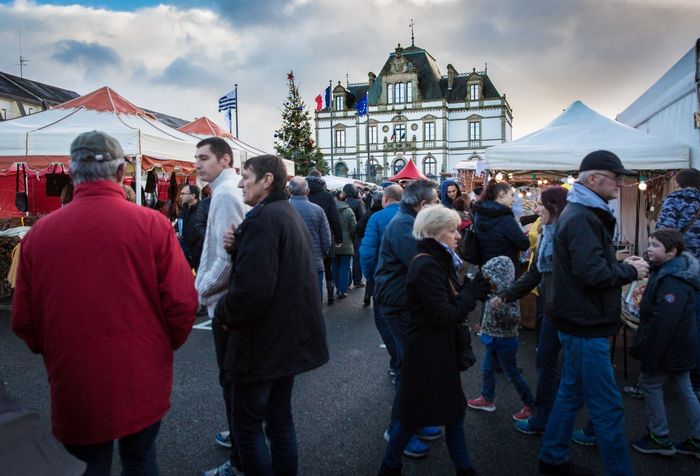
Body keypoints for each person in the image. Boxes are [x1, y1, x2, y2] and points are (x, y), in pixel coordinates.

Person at [12, 130, 198, 476]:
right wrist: (161, 345)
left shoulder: (40, 235)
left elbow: (24, 319)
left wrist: (57, 349)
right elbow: (183, 303)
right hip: (142, 371)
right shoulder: (152, 225)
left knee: (87, 465)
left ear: (72, 173)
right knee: (140, 460)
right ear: (119, 175)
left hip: (75, 377)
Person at [215, 155, 329, 475]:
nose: (240, 183)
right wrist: (239, 247)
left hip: (263, 345)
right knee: (279, 421)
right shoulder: (283, 213)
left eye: (246, 176)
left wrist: (222, 312)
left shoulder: (264, 219)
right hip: (285, 340)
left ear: (267, 180)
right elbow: (277, 270)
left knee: (248, 428)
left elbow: (253, 290)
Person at [538, 150, 649, 476]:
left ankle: (552, 457)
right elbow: (592, 274)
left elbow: (587, 267)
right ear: (593, 179)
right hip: (585, 322)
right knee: (607, 406)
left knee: (571, 393)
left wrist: (618, 264)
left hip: (579, 319)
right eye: (615, 177)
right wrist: (630, 272)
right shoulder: (584, 216)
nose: (620, 183)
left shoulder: (583, 213)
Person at [378, 205, 489, 476]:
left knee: (440, 414)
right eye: (452, 230)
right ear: (435, 232)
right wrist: (471, 294)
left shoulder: (436, 259)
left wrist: (467, 291)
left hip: (435, 350)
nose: (458, 235)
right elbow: (443, 314)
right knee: (429, 415)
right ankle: (395, 465)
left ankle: (393, 466)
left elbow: (446, 303)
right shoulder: (427, 263)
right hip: (429, 353)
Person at [493, 187, 574, 435]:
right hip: (551, 309)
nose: (537, 209)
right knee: (545, 362)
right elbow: (535, 272)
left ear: (555, 207)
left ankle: (572, 426)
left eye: (541, 205)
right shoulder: (547, 233)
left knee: (573, 372)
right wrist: (507, 295)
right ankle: (544, 419)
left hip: (569, 313)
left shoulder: (568, 235)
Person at [374, 179, 442, 459]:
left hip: (405, 302)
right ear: (422, 205)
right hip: (399, 304)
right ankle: (399, 429)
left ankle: (415, 421)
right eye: (436, 201)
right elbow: (423, 266)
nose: (440, 205)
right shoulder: (403, 226)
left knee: (414, 365)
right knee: (410, 367)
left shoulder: (411, 221)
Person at [193, 137, 246, 476]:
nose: (197, 164)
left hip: (225, 304)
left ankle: (241, 455)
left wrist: (200, 290)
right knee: (235, 380)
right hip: (229, 301)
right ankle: (243, 436)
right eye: (196, 158)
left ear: (224, 160)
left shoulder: (226, 193)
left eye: (204, 158)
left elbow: (226, 256)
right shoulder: (225, 190)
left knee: (232, 381)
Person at [629, 228, 700, 458]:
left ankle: (659, 436)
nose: (649, 248)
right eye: (650, 244)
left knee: (649, 383)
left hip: (669, 347)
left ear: (672, 251)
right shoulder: (672, 271)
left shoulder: (673, 280)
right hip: (679, 346)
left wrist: (652, 355)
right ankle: (697, 438)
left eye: (655, 245)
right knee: (684, 388)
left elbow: (665, 323)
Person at [468, 256, 535, 420]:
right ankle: (487, 398)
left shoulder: (507, 297)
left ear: (500, 278)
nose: (488, 281)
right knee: (486, 369)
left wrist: (500, 310)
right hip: (492, 340)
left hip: (506, 341)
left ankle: (530, 405)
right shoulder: (492, 293)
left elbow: (515, 318)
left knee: (512, 374)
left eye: (491, 278)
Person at [655, 168, 700, 400]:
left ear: (678, 183)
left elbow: (664, 235)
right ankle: (696, 376)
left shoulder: (674, 201)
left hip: (680, 269)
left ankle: (670, 373)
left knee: (672, 320)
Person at [359, 184, 403, 378]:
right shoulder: (412, 216)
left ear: (385, 199)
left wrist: (370, 276)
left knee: (384, 322)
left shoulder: (377, 218)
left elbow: (367, 252)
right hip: (406, 278)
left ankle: (398, 361)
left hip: (382, 279)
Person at [288, 176, 332, 298]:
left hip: (290, 264)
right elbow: (326, 238)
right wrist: (322, 255)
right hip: (315, 261)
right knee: (315, 300)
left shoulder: (283, 209)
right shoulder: (318, 210)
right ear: (307, 191)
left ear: (289, 191)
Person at [473, 180, 530, 270]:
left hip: (485, 267)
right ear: (502, 194)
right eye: (511, 195)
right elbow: (524, 244)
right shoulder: (505, 218)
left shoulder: (479, 215)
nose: (514, 199)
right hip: (504, 269)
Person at [306, 171, 343, 304]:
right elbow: (334, 219)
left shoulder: (303, 195)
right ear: (321, 181)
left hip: (306, 238)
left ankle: (313, 296)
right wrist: (339, 239)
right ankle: (330, 294)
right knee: (328, 267)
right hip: (326, 236)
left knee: (309, 267)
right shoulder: (327, 196)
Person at [357, 191, 384, 305]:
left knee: (371, 272)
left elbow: (359, 228)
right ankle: (378, 297)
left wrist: (364, 237)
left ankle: (368, 294)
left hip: (370, 244)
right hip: (383, 248)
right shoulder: (385, 214)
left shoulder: (369, 213)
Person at [341, 183, 367, 288]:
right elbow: (362, 219)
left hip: (345, 234)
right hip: (356, 234)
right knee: (356, 258)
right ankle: (357, 280)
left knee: (346, 259)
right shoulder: (358, 203)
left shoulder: (342, 202)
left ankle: (346, 282)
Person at [334, 192, 357, 299]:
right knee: (344, 267)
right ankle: (342, 290)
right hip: (347, 242)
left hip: (333, 242)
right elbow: (354, 228)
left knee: (334, 266)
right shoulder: (349, 210)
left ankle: (337, 287)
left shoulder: (331, 210)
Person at [177, 184, 201, 270]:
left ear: (193, 196)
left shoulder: (202, 210)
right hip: (184, 253)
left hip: (198, 255)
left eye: (183, 194)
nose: (180, 196)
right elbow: (178, 226)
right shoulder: (183, 209)